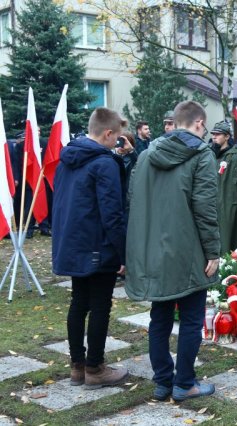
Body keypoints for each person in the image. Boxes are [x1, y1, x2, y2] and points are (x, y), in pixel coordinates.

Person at [126, 101, 220, 402]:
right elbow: (205, 207)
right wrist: (213, 252)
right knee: (191, 318)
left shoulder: (146, 155)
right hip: (187, 250)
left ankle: (163, 381)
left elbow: (133, 199)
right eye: (204, 126)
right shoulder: (202, 154)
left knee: (160, 316)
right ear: (198, 123)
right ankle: (184, 383)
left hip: (154, 248)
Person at [51, 107, 129, 389]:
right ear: (108, 134)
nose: (118, 141)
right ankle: (94, 368)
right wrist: (124, 253)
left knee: (79, 303)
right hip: (98, 245)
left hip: (74, 242)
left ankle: (77, 367)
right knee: (99, 306)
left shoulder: (67, 159)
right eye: (117, 136)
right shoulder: (104, 164)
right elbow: (112, 214)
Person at [211, 121, 237, 255]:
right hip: (210, 205)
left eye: (218, 134)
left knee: (226, 238)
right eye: (213, 134)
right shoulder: (210, 155)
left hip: (226, 206)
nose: (214, 137)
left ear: (227, 136)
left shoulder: (236, 158)